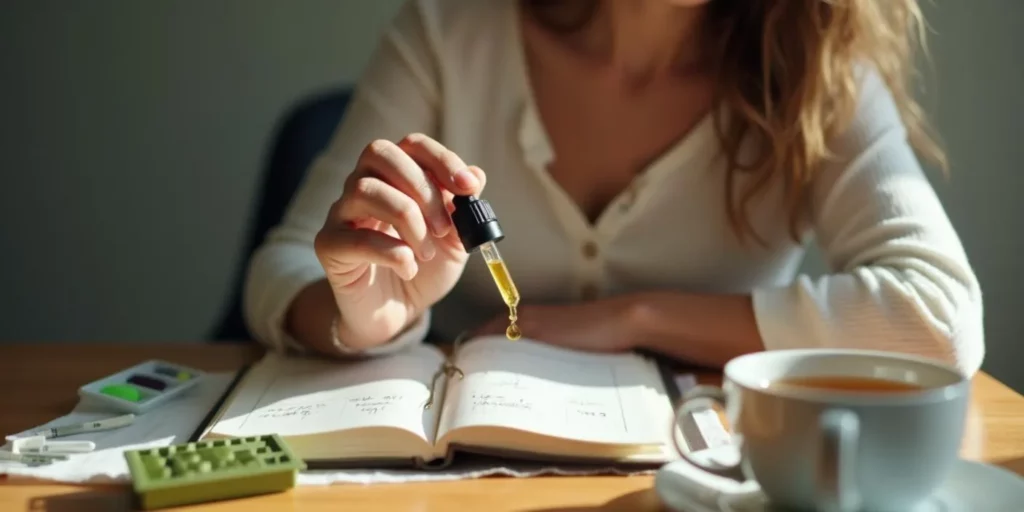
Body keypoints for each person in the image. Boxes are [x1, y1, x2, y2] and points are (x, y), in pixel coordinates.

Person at [243, 0, 984, 375]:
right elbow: (283, 269)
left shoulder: (819, 73)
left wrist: (636, 318)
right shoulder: (451, 32)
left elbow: (939, 318)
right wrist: (367, 318)